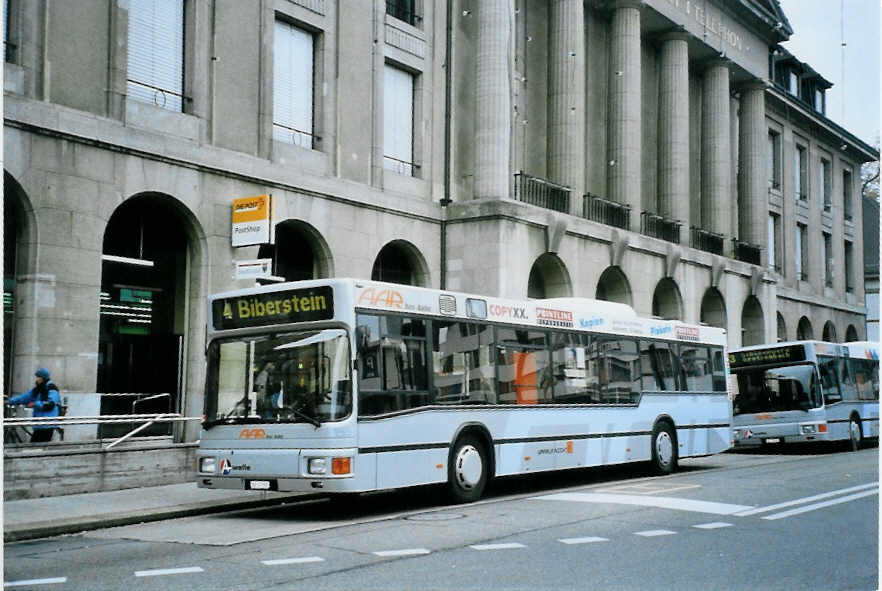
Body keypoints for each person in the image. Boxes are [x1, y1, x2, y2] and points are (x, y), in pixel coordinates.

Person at [8, 368, 61, 443]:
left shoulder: (51, 389)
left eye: (38, 377)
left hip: (47, 424)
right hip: (39, 425)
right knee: (36, 448)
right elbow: (25, 397)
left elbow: (50, 404)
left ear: (43, 378)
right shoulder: (38, 389)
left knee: (36, 448)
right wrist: (10, 401)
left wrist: (35, 404)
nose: (36, 379)